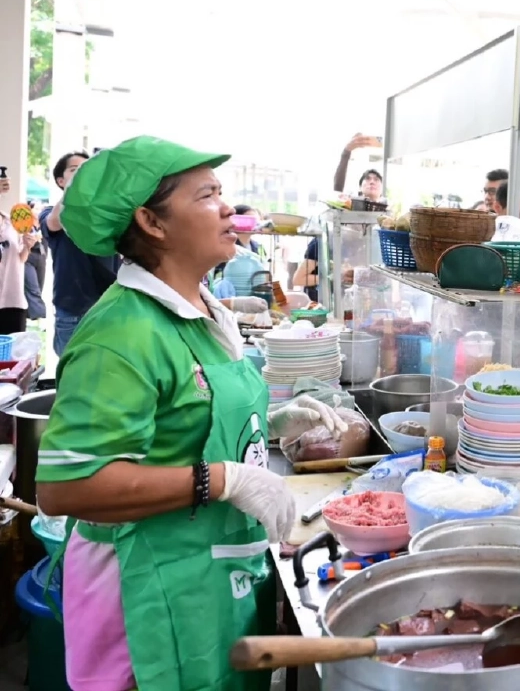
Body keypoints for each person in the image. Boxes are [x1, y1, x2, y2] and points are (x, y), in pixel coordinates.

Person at [34, 136, 348, 691]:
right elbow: (69, 488)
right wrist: (223, 478)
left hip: (206, 572)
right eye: (207, 195)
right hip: (145, 593)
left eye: (222, 192)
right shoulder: (121, 334)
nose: (228, 207)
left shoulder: (203, 310)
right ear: (152, 224)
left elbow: (184, 424)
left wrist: (272, 427)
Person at [40, 151, 122, 354]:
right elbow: (54, 222)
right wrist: (77, 186)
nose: (84, 173)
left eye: (88, 169)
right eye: (75, 170)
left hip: (109, 307)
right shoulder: (50, 212)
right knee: (72, 375)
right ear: (61, 180)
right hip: (72, 311)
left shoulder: (106, 215)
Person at [0, 172, 39, 334]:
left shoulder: (11, 221)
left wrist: (27, 246)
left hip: (13, 299)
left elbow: (20, 258)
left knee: (13, 355)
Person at [332, 134, 383, 199]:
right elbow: (337, 192)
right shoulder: (350, 206)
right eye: (367, 178)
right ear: (360, 188)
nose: (372, 182)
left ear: (382, 188)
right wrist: (346, 152)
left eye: (376, 179)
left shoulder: (389, 208)